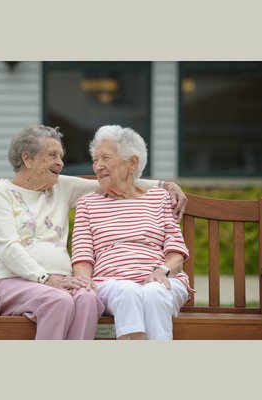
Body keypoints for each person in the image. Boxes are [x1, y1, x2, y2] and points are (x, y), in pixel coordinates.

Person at [0, 124, 187, 340]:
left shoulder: (61, 186)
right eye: (53, 155)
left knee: (89, 299)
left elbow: (120, 180)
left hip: (62, 283)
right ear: (27, 159)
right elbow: (7, 247)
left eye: (61, 156)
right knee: (58, 301)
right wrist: (45, 278)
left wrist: (165, 185)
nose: (60, 163)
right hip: (17, 281)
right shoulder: (0, 193)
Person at [71, 125, 194, 340]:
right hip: (111, 283)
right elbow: (82, 257)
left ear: (132, 163)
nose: (98, 166)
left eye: (105, 158)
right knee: (127, 291)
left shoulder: (159, 199)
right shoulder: (88, 204)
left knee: (154, 293)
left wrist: (162, 271)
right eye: (95, 160)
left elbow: (176, 253)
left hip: (161, 279)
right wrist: (84, 281)